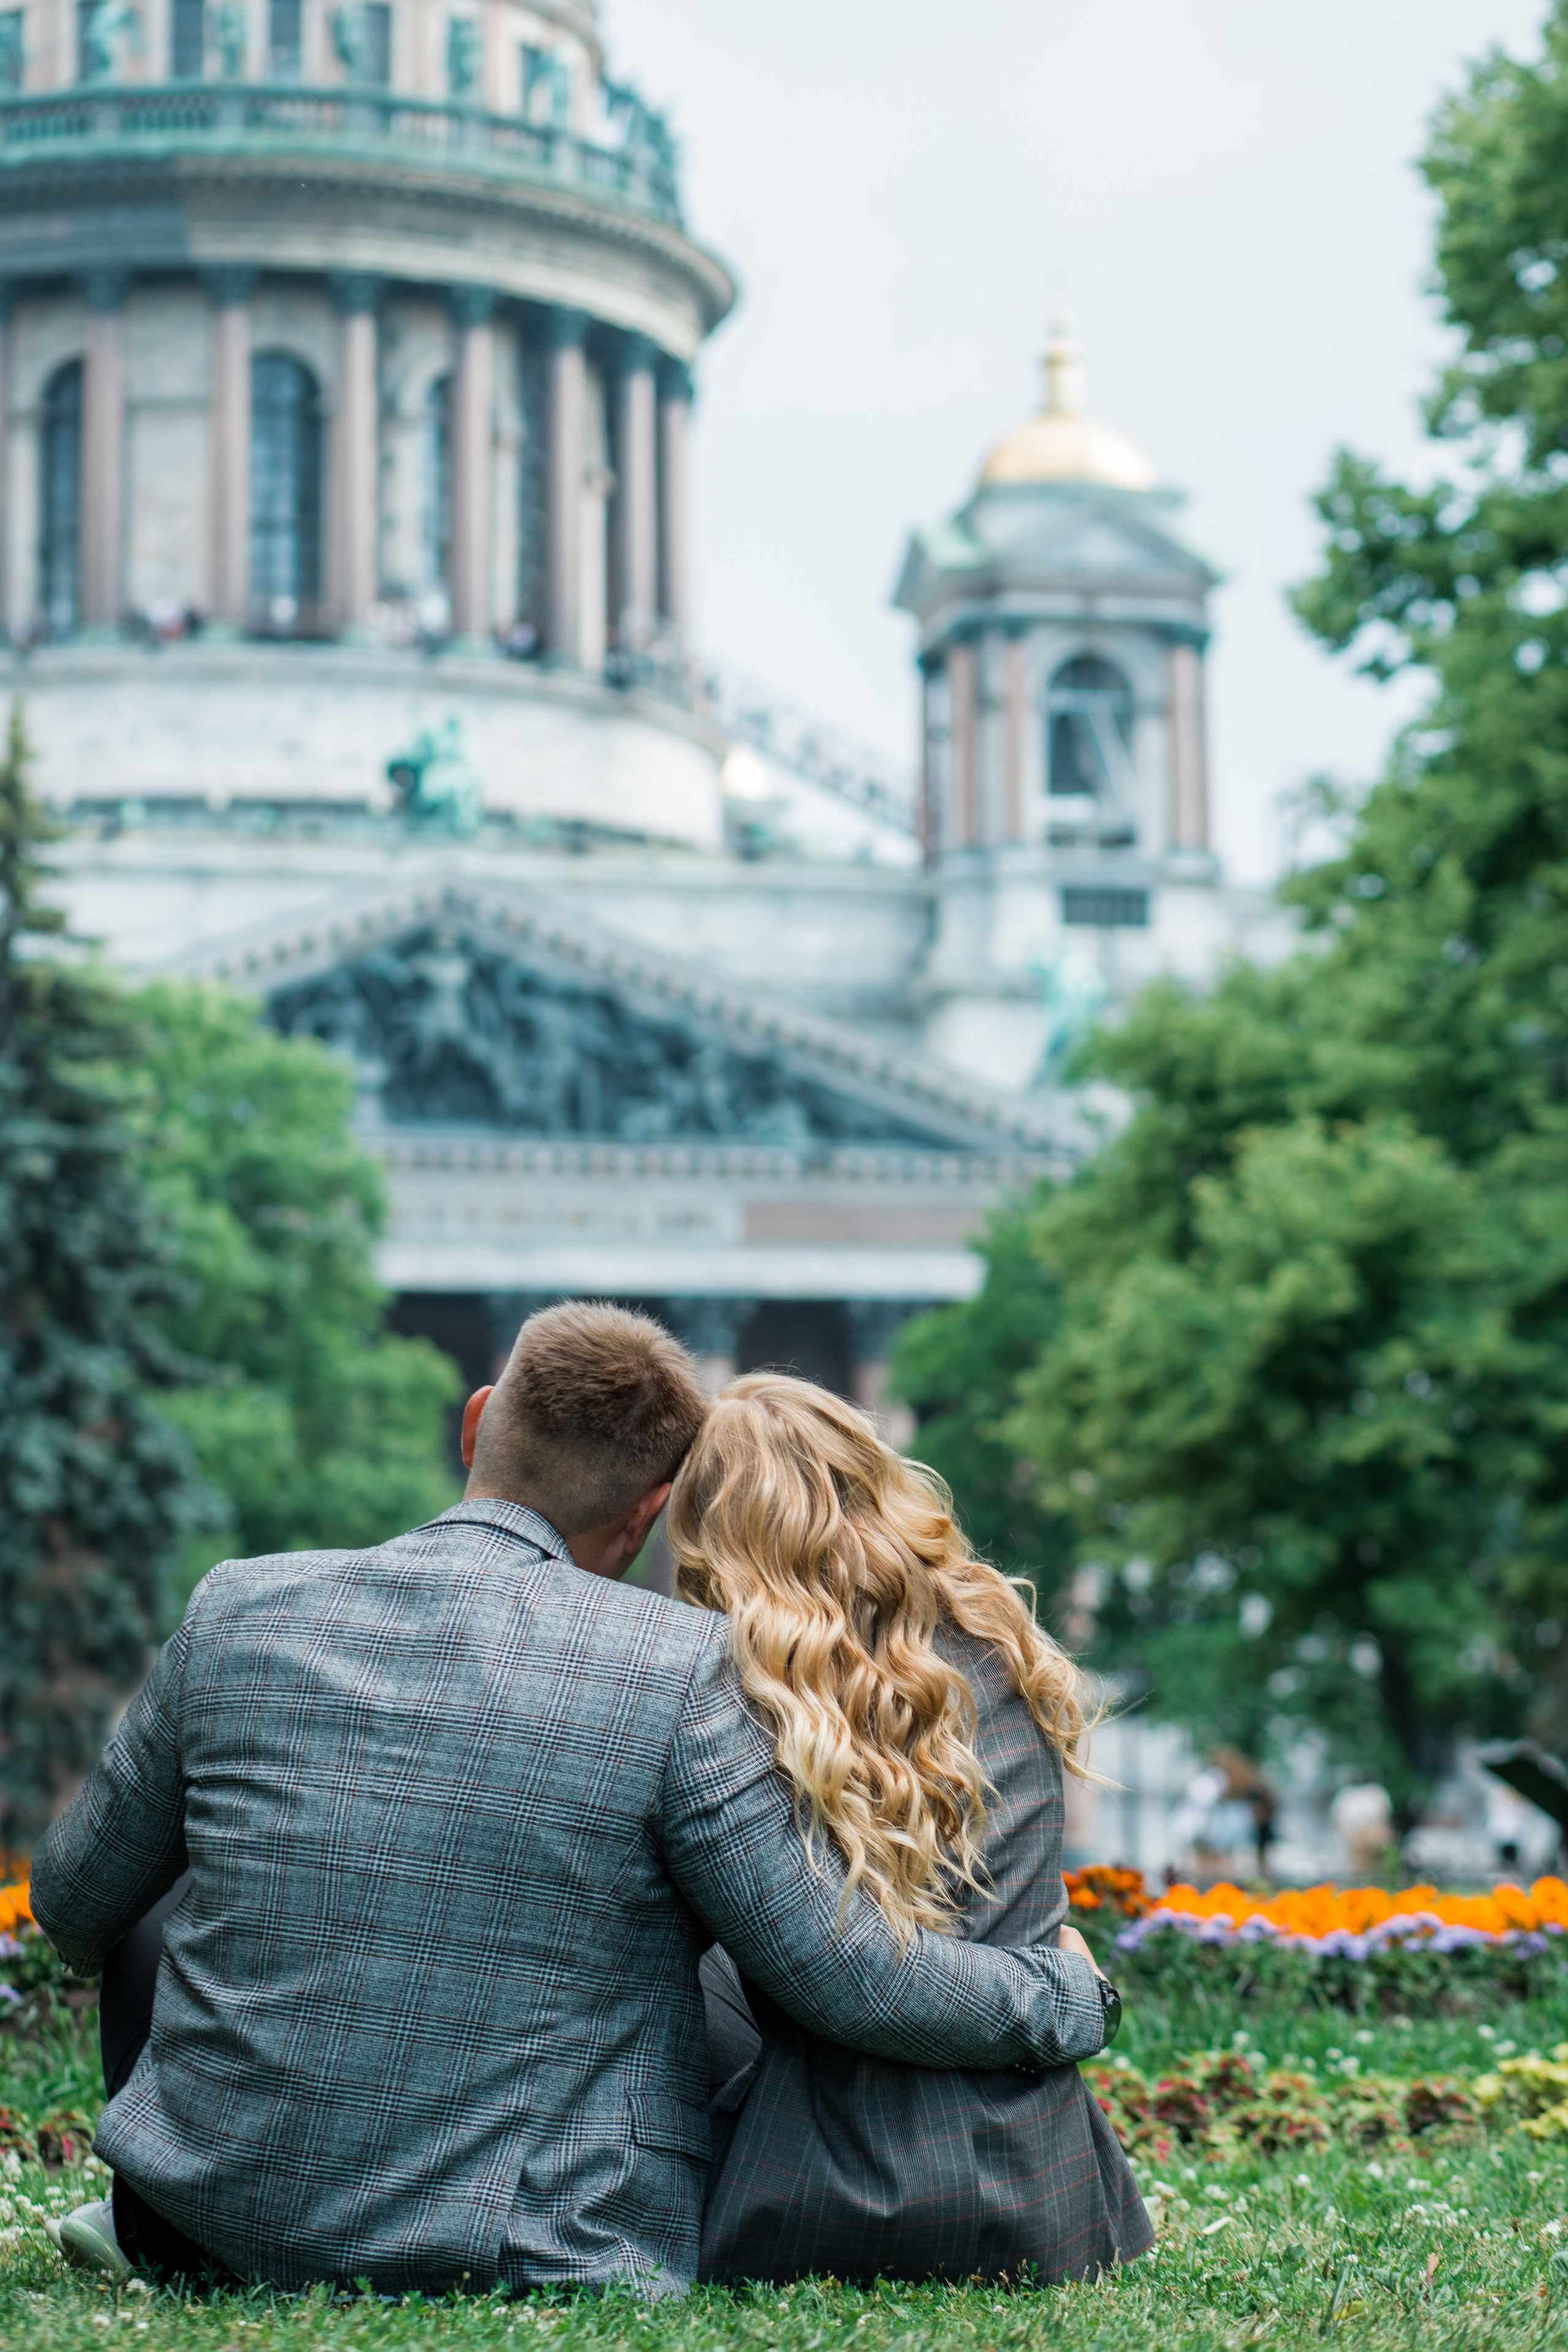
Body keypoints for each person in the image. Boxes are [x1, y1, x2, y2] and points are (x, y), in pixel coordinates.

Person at [31, 1303, 1112, 2297]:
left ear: (476, 1423)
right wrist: (1067, 1995)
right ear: (651, 1511)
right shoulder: (682, 1669)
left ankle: (183, 2192)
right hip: (533, 2249)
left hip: (205, 2227)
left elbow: (75, 1904)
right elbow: (844, 1975)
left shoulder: (240, 1607)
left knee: (159, 1902)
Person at [669, 1373, 1150, 2287]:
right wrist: (1070, 1989)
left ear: (715, 1532)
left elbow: (858, 1979)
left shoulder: (739, 1704)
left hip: (828, 2190)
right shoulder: (1005, 1647)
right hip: (1040, 2190)